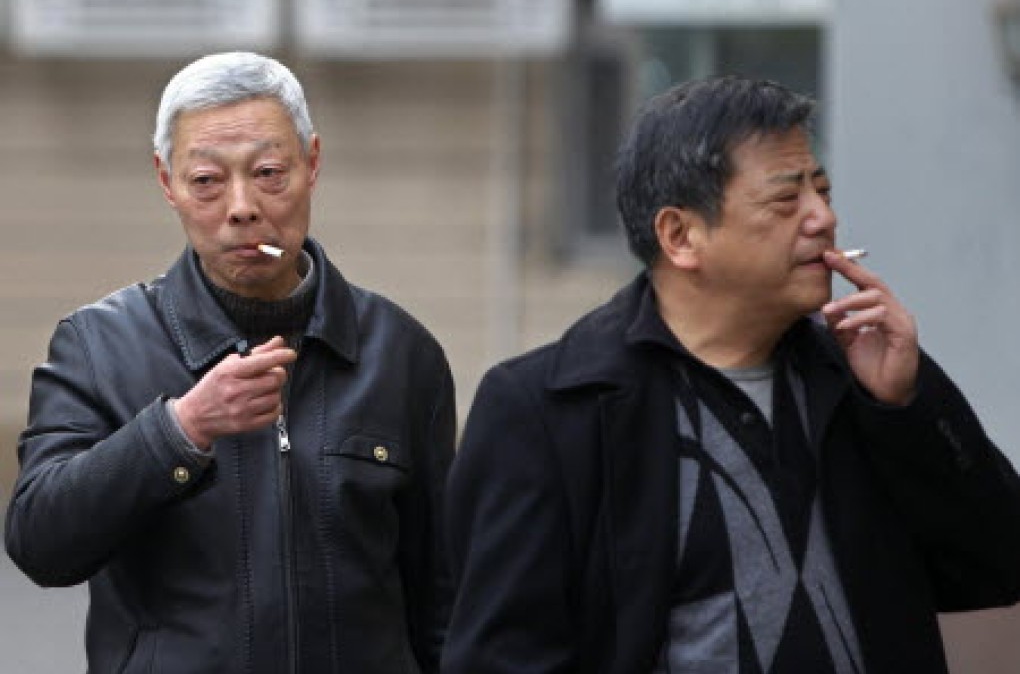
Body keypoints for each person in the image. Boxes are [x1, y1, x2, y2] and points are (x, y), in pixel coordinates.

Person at [442, 76, 1020, 673]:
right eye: (785, 199)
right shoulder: (549, 410)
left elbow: (995, 568)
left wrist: (906, 406)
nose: (823, 218)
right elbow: (501, 657)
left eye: (822, 191)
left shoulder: (857, 378)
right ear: (680, 235)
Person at [5, 52, 455, 673]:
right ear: (167, 182)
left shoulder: (400, 352)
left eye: (269, 172)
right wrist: (180, 430)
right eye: (207, 182)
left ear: (312, 163)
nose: (242, 207)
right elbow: (39, 543)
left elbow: (442, 596)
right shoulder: (98, 345)